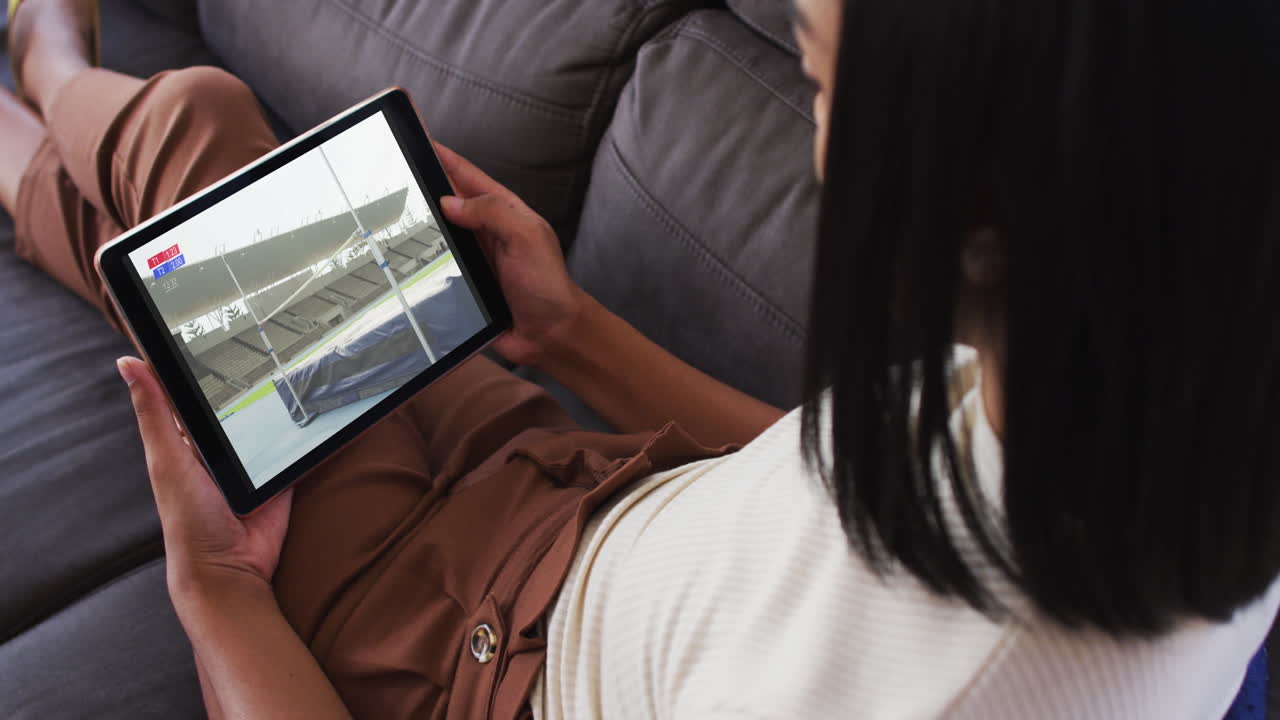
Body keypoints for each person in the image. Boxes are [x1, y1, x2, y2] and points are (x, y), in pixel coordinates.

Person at [4, 0, 1279, 716]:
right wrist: (568, 334)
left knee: (198, 131)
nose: (816, 145)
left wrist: (217, 590)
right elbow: (824, 491)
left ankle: (40, 66)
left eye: (821, 87)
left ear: (981, 213)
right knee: (223, 238)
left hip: (455, 649)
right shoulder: (1158, 404)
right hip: (580, 491)